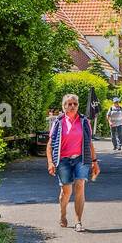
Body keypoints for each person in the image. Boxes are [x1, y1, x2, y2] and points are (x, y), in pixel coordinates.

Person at [47, 93, 99, 232]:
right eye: (69, 104)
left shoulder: (84, 121)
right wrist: (50, 162)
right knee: (66, 190)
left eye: (75, 104)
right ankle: (63, 213)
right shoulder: (58, 122)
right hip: (63, 160)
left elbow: (89, 143)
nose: (72, 106)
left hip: (81, 159)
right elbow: (50, 144)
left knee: (80, 186)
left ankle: (78, 221)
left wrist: (94, 161)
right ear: (64, 106)